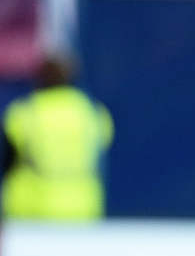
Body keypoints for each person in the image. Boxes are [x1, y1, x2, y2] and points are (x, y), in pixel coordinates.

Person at [2, 56, 113, 221]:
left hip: (31, 210)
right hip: (82, 209)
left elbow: (7, 160)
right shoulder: (93, 114)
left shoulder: (25, 113)